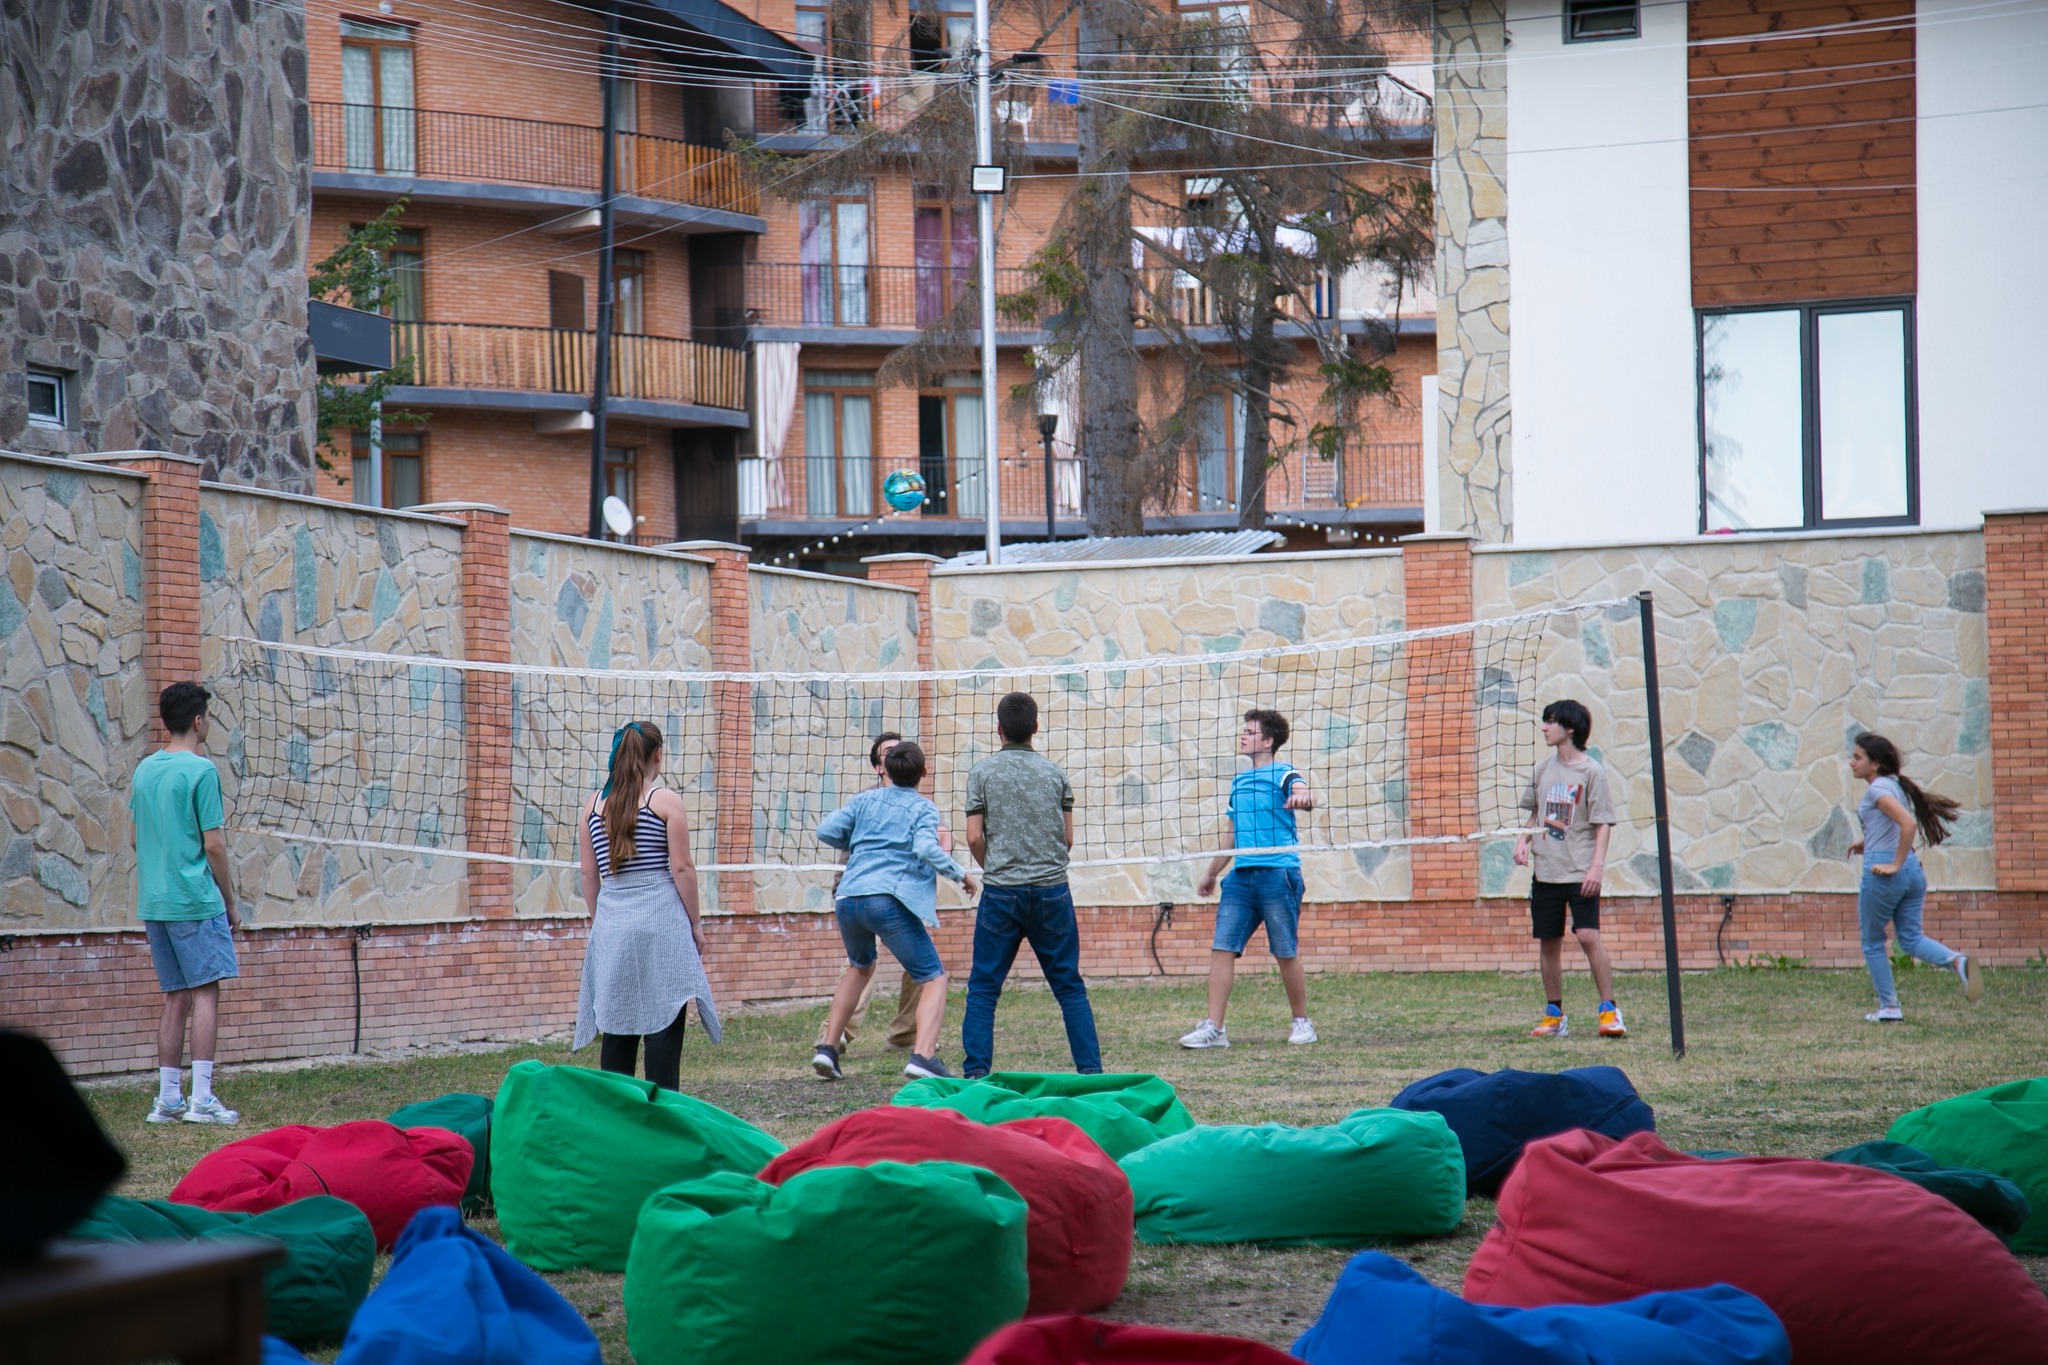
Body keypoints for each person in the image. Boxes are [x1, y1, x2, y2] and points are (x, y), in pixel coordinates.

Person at [812, 741, 978, 1081]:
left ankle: (828, 1048)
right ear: (923, 773)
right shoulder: (923, 808)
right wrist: (960, 873)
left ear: (885, 769)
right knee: (934, 978)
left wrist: (864, 840)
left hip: (848, 897)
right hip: (885, 899)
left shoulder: (864, 801)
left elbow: (826, 831)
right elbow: (925, 847)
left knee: (859, 967)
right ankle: (923, 1056)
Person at [961, 692, 1102, 1078]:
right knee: (1069, 987)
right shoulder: (1055, 774)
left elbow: (973, 837)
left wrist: (996, 868)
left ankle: (976, 1074)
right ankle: (1091, 1073)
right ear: (1035, 728)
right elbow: (1067, 839)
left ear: (999, 728)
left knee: (984, 988)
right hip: (1051, 891)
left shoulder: (982, 773)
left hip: (1001, 893)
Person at [574, 721, 720, 1092]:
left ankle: (618, 1113)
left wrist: (601, 922)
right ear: (658, 755)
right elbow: (682, 868)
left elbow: (589, 873)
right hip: (661, 920)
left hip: (613, 921)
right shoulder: (665, 801)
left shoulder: (592, 806)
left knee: (617, 1023)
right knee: (663, 1022)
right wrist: (696, 925)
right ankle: (661, 1112)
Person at [132, 682, 241, 1125]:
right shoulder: (201, 770)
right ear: (198, 721)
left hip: (156, 903)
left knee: (175, 997)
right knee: (205, 994)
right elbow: (214, 845)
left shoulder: (144, 770)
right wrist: (230, 903)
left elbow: (136, 838)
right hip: (195, 901)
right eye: (207, 717)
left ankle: (168, 1099)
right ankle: (201, 1100)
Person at [1181, 709, 1317, 1049]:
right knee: (1222, 948)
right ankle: (1215, 1028)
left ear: (1268, 741)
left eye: (1250, 732)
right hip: (1241, 878)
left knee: (1285, 951)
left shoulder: (1284, 773)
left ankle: (1302, 1022)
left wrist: (1303, 797)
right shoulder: (1239, 782)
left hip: (1279, 874)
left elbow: (1301, 789)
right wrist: (1211, 872)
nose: (1243, 736)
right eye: (1243, 731)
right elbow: (1231, 834)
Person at [1848, 731, 1981, 1021]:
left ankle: (1890, 1007)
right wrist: (1867, 842)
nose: (1851, 763)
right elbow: (1890, 827)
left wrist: (1893, 864)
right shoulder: (1893, 785)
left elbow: (1907, 824)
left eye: (1857, 757)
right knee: (1910, 938)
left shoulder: (1876, 790)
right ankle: (1959, 962)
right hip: (1913, 872)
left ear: (1875, 763)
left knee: (1872, 942)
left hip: (1886, 872)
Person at [1512, 699, 1625, 1039]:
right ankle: (1554, 1015)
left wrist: (1596, 868)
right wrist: (1522, 841)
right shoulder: (1542, 771)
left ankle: (1609, 1012)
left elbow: (1603, 824)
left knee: (1588, 935)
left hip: (1580, 872)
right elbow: (1536, 815)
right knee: (1549, 942)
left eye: (1551, 721)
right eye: (1544, 721)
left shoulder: (1592, 772)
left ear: (1571, 728)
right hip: (1546, 872)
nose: (1544, 727)